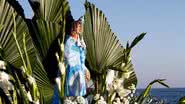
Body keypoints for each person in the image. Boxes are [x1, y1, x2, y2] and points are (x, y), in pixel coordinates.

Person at [64, 19, 90, 96]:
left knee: (80, 96)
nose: (80, 28)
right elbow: (67, 57)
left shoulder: (81, 42)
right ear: (74, 27)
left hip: (80, 72)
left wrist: (85, 70)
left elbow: (82, 58)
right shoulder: (69, 41)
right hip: (72, 72)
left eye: (81, 26)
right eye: (78, 26)